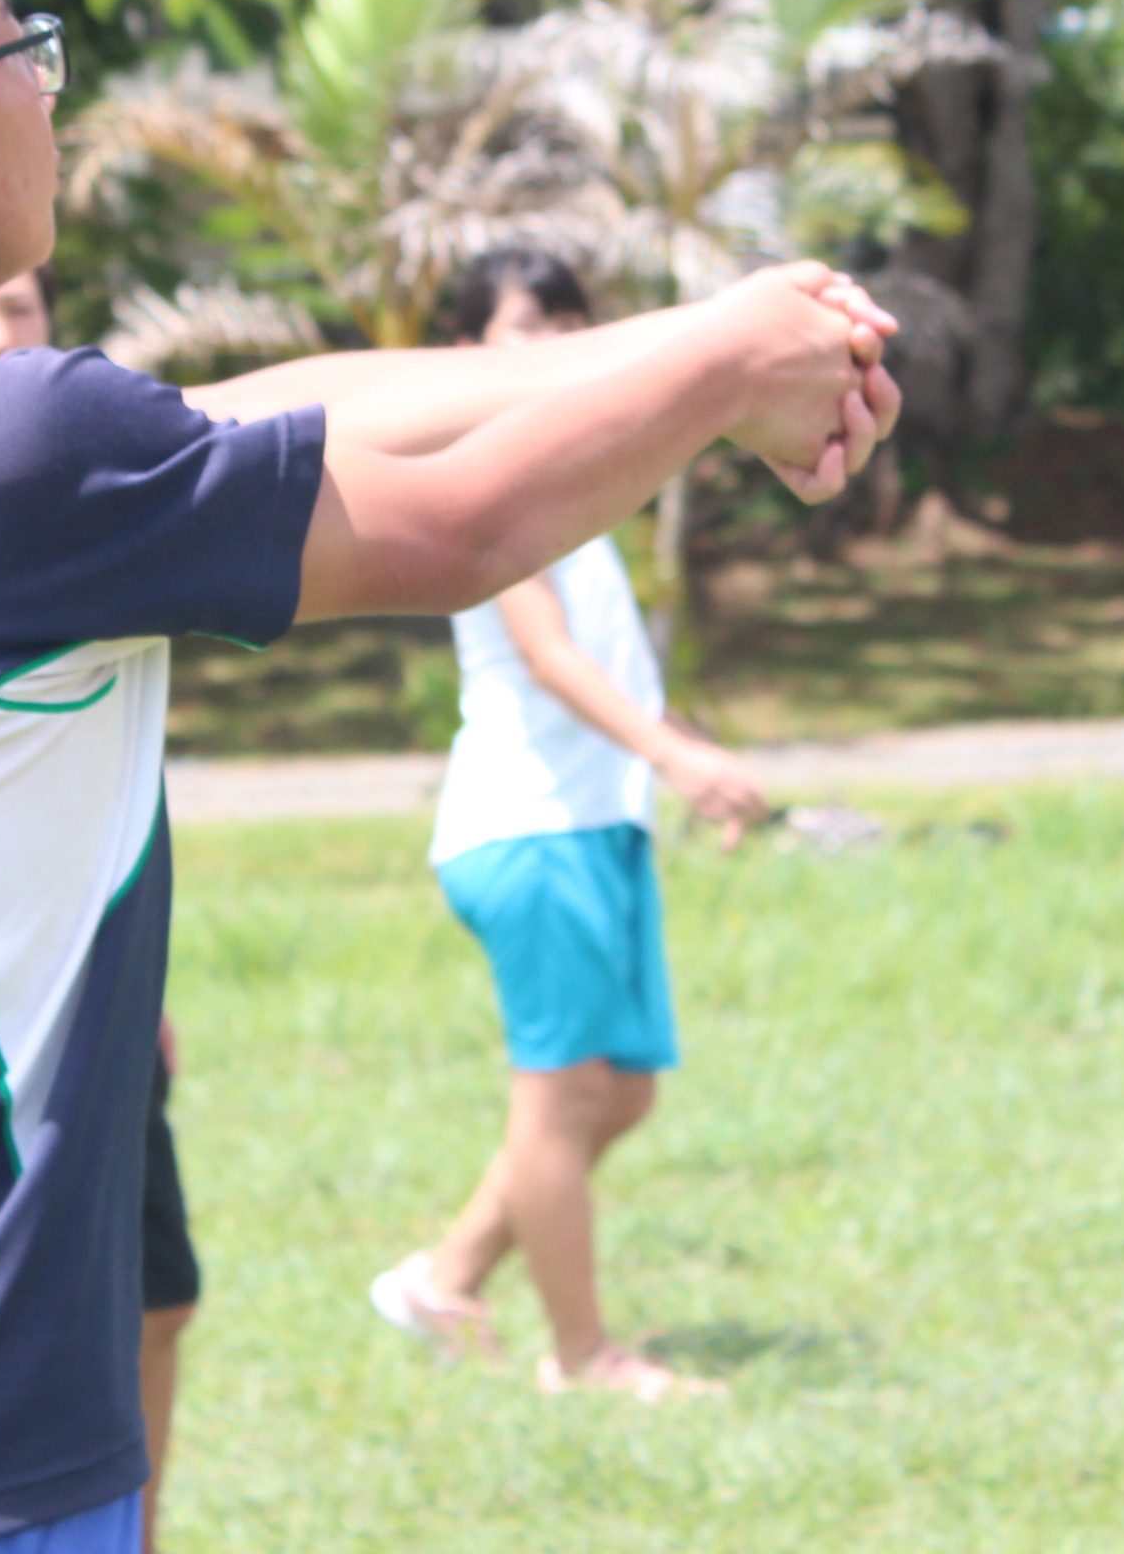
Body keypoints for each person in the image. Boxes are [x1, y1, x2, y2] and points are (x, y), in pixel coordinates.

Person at [0, 0, 896, 1554]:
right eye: (22, 48)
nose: (48, 89)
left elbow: (251, 419)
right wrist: (730, 364)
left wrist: (689, 338)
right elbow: (457, 526)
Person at [367, 249, 772, 1403]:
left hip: (594, 824)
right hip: (528, 826)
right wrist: (675, 756)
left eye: (568, 322)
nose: (551, 346)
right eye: (525, 325)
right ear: (465, 353)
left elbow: (605, 663)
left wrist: (676, 757)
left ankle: (444, 1282)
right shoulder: (487, 483)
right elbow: (546, 658)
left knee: (620, 1093)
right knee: (558, 1102)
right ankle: (585, 1357)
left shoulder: (566, 482)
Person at [0, 264, 197, 1554]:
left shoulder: (77, 486)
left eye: (24, 311)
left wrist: (143, 982)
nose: (1, 335)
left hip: (96, 995)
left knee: (162, 1294)